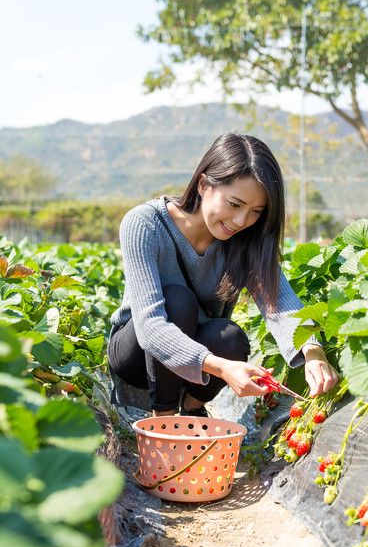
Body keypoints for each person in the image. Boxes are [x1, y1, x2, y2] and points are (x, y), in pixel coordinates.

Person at [107, 132, 338, 417]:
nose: (242, 221)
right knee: (177, 300)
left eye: (256, 211)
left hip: (198, 366)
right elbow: (150, 326)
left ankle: (193, 410)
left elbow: (279, 303)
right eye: (234, 204)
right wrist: (221, 367)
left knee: (231, 338)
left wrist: (313, 351)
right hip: (138, 357)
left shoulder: (245, 240)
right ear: (204, 184)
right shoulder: (144, 224)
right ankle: (163, 421)